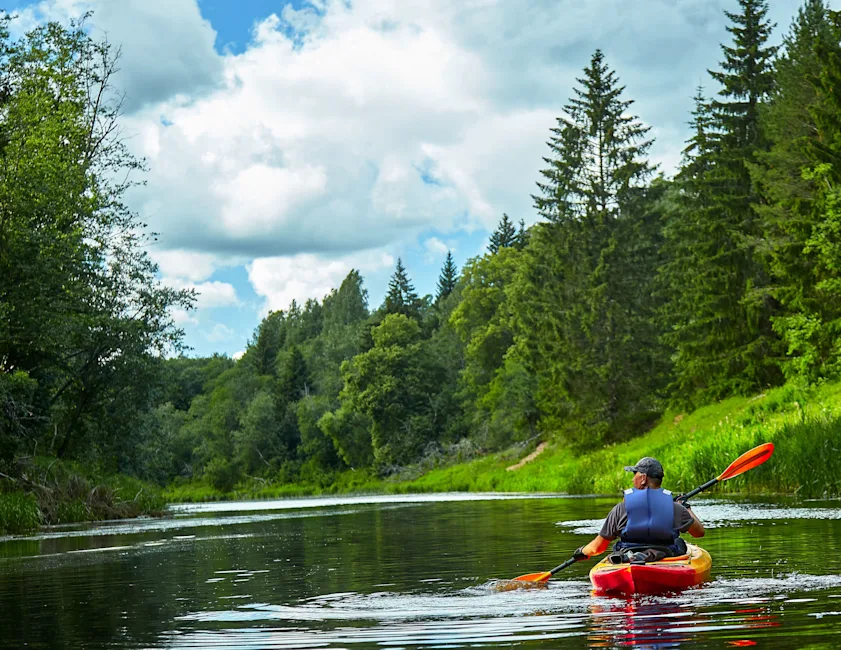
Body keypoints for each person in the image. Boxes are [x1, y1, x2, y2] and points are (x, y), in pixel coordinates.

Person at [574, 457, 705, 563]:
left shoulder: (621, 508)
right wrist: (686, 507)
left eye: (634, 474)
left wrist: (582, 551)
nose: (632, 479)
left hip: (629, 557)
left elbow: (597, 548)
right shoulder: (675, 508)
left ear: (643, 478)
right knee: (679, 542)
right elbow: (699, 532)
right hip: (666, 555)